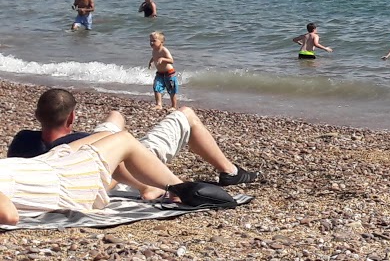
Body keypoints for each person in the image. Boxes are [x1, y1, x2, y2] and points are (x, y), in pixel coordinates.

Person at [8, 88, 260, 189]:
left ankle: (116, 127)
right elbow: (120, 170)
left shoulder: (22, 141)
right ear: (72, 117)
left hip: (81, 147)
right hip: (136, 160)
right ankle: (230, 170)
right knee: (186, 115)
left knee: (115, 116)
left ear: (37, 115)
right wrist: (146, 187)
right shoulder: (85, 146)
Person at [0, 128, 198, 225]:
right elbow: (9, 216)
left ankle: (146, 186)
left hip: (41, 165)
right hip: (61, 180)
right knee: (124, 140)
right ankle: (184, 190)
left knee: (106, 135)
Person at [148, 33, 179, 110]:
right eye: (150, 41)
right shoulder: (154, 50)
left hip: (169, 73)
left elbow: (171, 60)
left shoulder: (164, 50)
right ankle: (159, 104)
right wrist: (151, 61)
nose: (152, 43)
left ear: (161, 42)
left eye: (154, 41)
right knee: (156, 87)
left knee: (172, 89)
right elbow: (154, 57)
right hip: (160, 74)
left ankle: (173, 106)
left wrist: (163, 59)